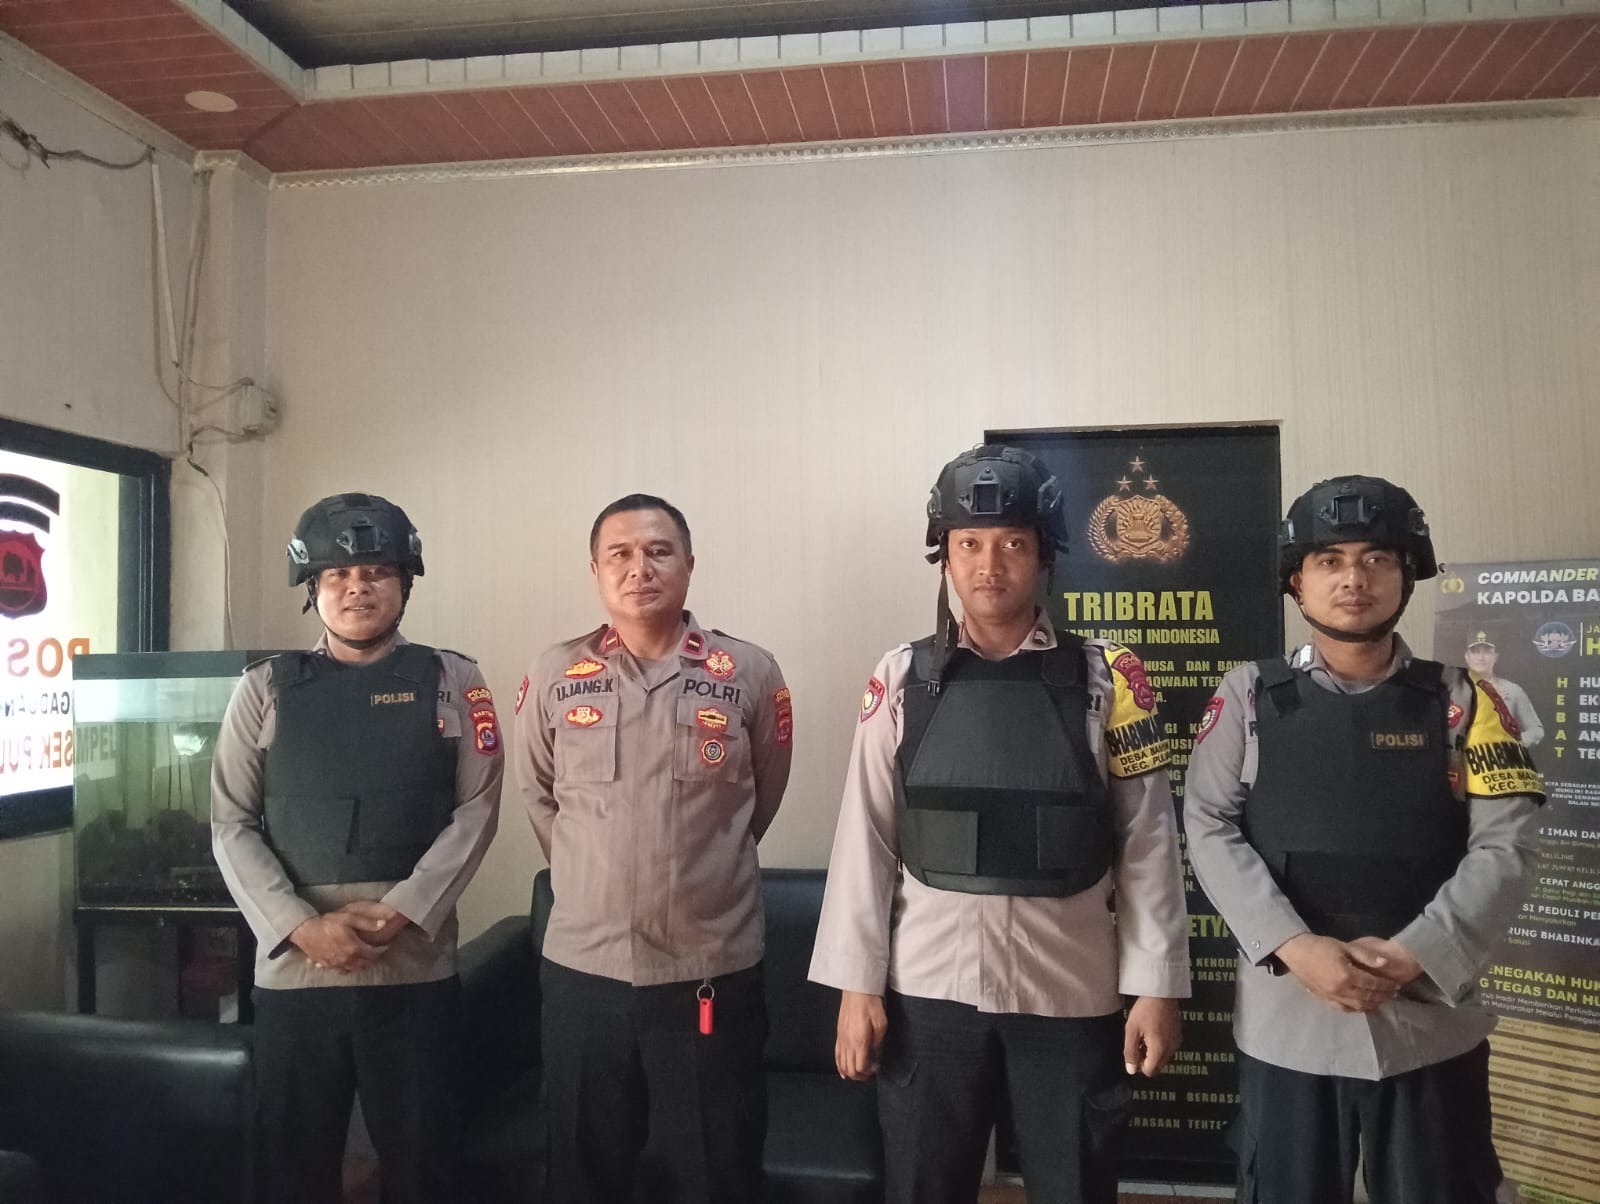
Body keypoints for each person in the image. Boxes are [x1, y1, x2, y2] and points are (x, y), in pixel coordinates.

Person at [808, 445, 1191, 1204]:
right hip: (928, 993)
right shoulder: (900, 677)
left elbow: (1148, 842)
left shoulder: (1110, 677)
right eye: (969, 544)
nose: (989, 565)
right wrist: (857, 988)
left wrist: (1157, 988)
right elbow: (866, 839)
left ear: (1045, 554)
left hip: (1068, 990)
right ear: (944, 554)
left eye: (1013, 543)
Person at [1184, 475, 1544, 1204]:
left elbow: (1505, 848)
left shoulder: (1472, 702)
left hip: (1428, 1025)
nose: (1354, 579)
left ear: (1407, 574)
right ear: (1297, 580)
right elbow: (1207, 824)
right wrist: (1295, 946)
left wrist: (1417, 952)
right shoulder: (1246, 696)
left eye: (1377, 559)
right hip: (1288, 1024)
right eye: (1330, 560)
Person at [211, 492, 503, 1204]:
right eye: (337, 575)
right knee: (290, 1166)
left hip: (413, 970)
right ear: (312, 589)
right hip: (296, 973)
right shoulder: (263, 687)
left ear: (405, 582)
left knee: (426, 1166)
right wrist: (299, 926)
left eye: (376, 571)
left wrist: (403, 911)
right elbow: (230, 822)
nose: (356, 587)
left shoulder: (455, 680)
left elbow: (477, 811)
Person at [515, 493, 793, 1203]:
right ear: (596, 571)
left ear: (689, 565)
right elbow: (540, 798)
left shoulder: (748, 671)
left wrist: (696, 867)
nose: (639, 568)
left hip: (709, 971)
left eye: (658, 551)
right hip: (585, 973)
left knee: (715, 1172)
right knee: (582, 1173)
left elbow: (757, 802)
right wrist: (594, 878)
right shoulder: (554, 674)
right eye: (620, 554)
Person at [1465, 632, 1544, 746]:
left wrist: (1513, 744)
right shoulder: (1452, 690)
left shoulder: (1512, 690)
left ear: (1495, 656)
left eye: (1487, 652)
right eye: (1475, 652)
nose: (1481, 657)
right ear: (1467, 657)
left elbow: (1536, 730)